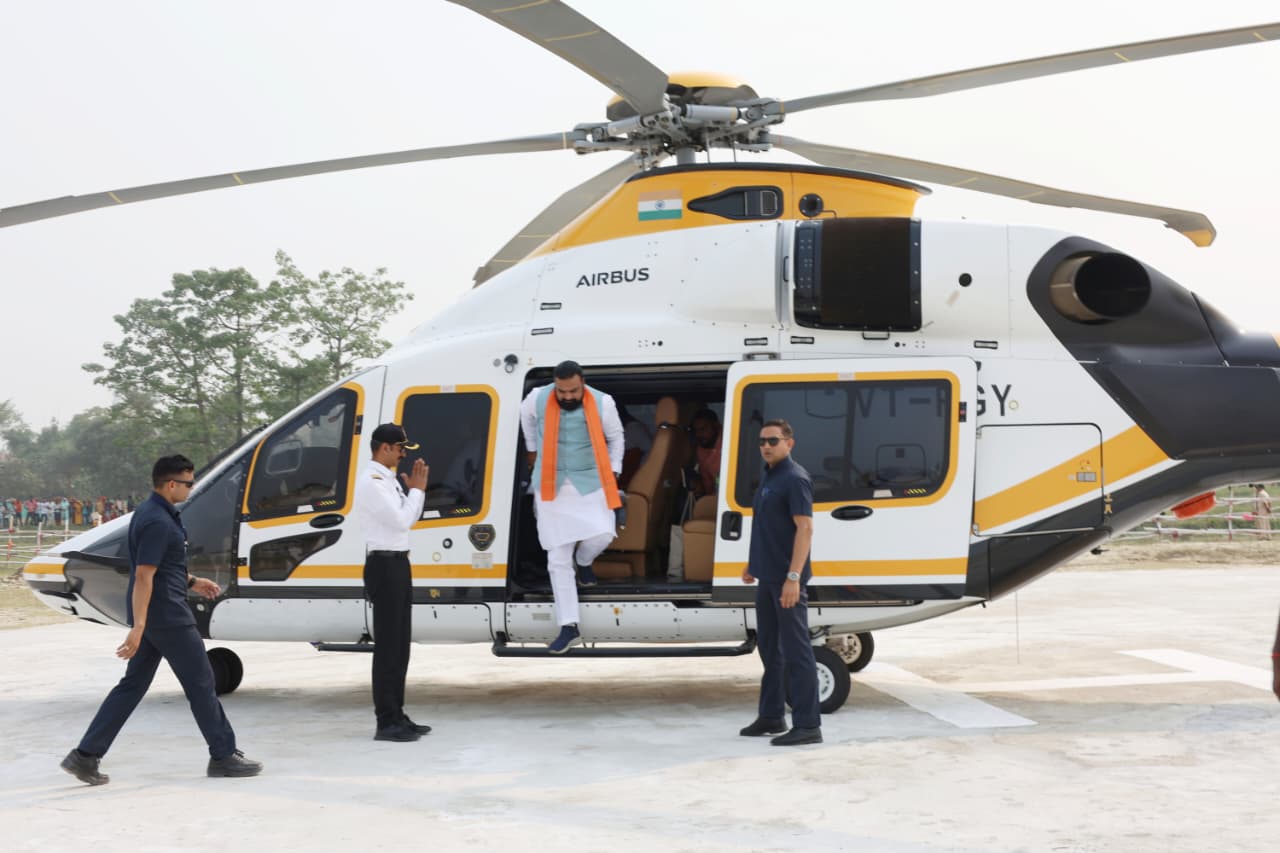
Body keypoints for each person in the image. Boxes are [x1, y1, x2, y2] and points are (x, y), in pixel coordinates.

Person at [60, 455, 262, 786]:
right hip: (167, 617)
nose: (191, 488)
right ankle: (223, 755)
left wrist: (192, 581)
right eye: (188, 483)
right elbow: (144, 575)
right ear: (171, 484)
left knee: (132, 686)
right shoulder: (158, 521)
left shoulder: (150, 513)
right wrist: (138, 628)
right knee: (201, 683)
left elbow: (162, 566)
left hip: (157, 614)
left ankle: (85, 756)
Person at [519, 360, 624, 654]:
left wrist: (614, 469)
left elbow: (616, 437)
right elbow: (526, 418)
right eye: (561, 391)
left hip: (590, 479)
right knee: (557, 558)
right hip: (550, 482)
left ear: (582, 384)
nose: (567, 396)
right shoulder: (536, 398)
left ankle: (585, 561)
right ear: (555, 385)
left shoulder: (604, 402)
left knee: (603, 534)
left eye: (573, 391)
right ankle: (568, 626)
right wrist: (532, 449)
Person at [739, 419, 822, 747]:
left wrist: (793, 578)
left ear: (789, 443)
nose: (766, 446)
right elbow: (768, 525)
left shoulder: (795, 478)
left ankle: (808, 725)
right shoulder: (770, 475)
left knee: (797, 652)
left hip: (786, 582)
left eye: (773, 440)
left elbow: (805, 529)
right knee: (770, 649)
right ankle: (772, 715)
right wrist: (753, 563)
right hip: (767, 578)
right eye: (762, 441)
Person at [353, 422, 430, 742]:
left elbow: (408, 519)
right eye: (400, 449)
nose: (402, 455)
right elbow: (401, 521)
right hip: (384, 565)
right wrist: (418, 490)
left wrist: (414, 492)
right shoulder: (372, 482)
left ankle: (397, 714)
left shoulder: (386, 479)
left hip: (397, 562)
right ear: (385, 448)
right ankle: (386, 721)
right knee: (388, 647)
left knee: (400, 645)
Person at [690, 408, 723, 498]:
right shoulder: (700, 449)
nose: (698, 434)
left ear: (716, 426)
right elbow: (708, 485)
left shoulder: (730, 444)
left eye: (703, 429)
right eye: (696, 431)